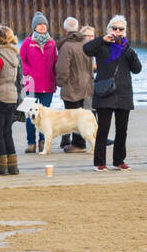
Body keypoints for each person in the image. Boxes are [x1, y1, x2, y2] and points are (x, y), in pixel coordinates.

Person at [84, 15, 141, 171]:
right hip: (105, 91)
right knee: (103, 129)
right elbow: (86, 49)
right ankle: (99, 162)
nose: (117, 31)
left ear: (125, 31)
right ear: (108, 30)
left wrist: (130, 52)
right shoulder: (101, 45)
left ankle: (119, 160)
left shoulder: (127, 48)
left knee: (122, 129)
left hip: (123, 92)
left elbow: (137, 69)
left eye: (120, 29)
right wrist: (103, 39)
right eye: (114, 28)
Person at [20, 11, 58, 154]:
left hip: (48, 84)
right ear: (34, 27)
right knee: (29, 114)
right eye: (39, 24)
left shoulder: (52, 43)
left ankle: (43, 142)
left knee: (45, 115)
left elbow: (55, 62)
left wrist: (56, 77)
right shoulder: (27, 42)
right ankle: (31, 143)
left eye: (44, 24)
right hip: (31, 84)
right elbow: (21, 60)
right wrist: (28, 72)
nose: (42, 26)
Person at [0, 26, 23, 176]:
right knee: (7, 131)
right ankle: (13, 165)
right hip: (12, 97)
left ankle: (1, 165)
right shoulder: (15, 56)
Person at [54, 16, 91, 152]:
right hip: (86, 83)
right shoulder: (86, 42)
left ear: (65, 30)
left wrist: (60, 82)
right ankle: (80, 142)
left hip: (72, 85)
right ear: (78, 27)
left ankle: (78, 144)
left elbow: (62, 68)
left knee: (72, 116)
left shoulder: (66, 46)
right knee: (81, 114)